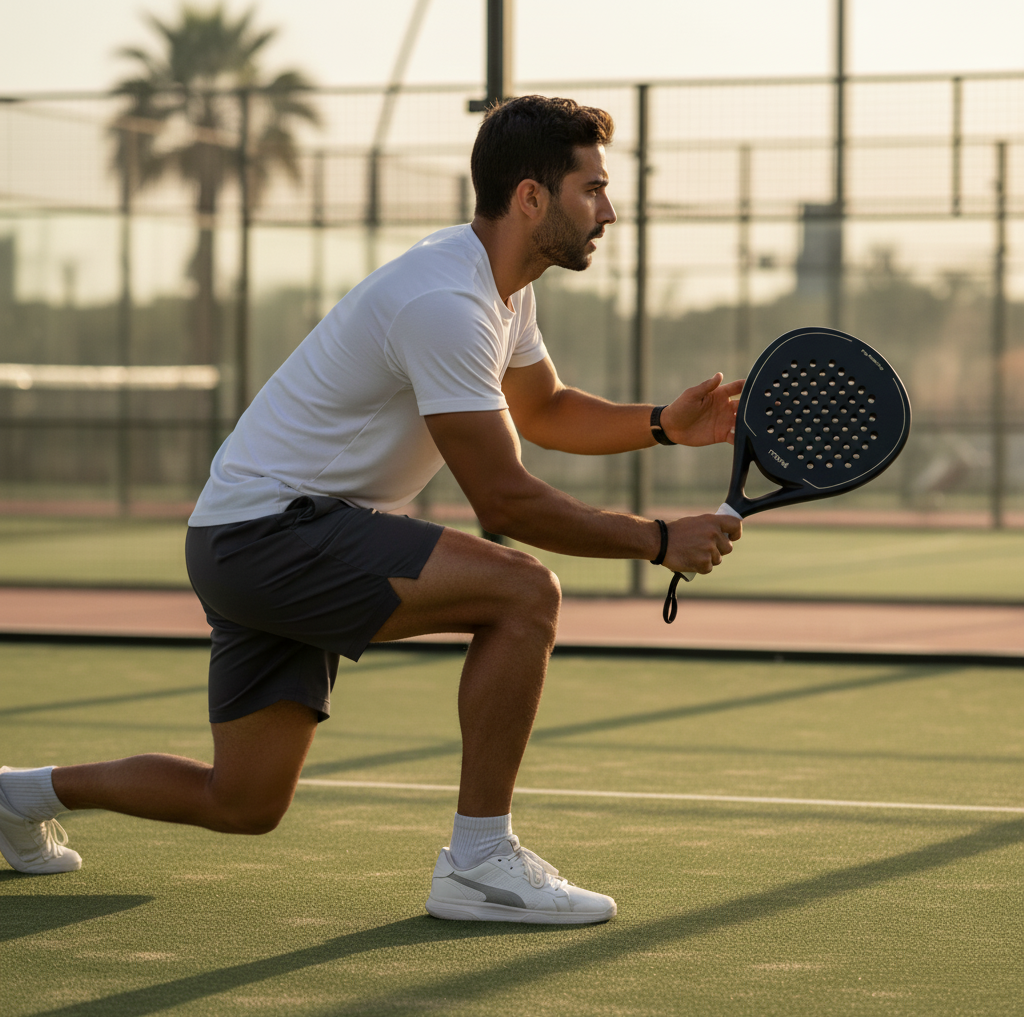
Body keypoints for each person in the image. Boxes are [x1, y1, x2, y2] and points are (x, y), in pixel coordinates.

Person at [0, 95, 741, 924]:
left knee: (244, 800)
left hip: (247, 534)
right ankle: (479, 861)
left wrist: (663, 428)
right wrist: (658, 538)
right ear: (531, 197)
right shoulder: (446, 304)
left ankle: (13, 796)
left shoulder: (499, 288)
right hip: (272, 533)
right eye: (592, 189)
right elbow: (501, 497)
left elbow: (545, 408)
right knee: (526, 594)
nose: (609, 210)